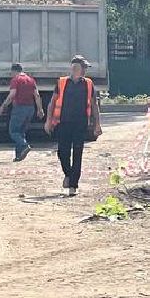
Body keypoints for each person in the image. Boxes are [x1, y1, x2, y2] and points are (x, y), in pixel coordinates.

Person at [46, 55, 101, 197]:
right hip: (63, 123)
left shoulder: (88, 84)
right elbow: (52, 102)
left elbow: (94, 105)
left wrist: (97, 125)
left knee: (78, 153)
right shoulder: (62, 82)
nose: (85, 71)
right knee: (62, 152)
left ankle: (73, 184)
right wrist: (48, 121)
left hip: (80, 124)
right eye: (84, 68)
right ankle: (68, 174)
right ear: (77, 68)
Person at [0, 64, 44, 162]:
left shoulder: (15, 80)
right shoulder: (31, 80)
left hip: (20, 108)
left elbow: (12, 95)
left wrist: (3, 106)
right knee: (21, 132)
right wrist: (40, 109)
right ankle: (19, 155)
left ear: (14, 71)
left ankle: (24, 146)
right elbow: (37, 95)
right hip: (30, 109)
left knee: (13, 132)